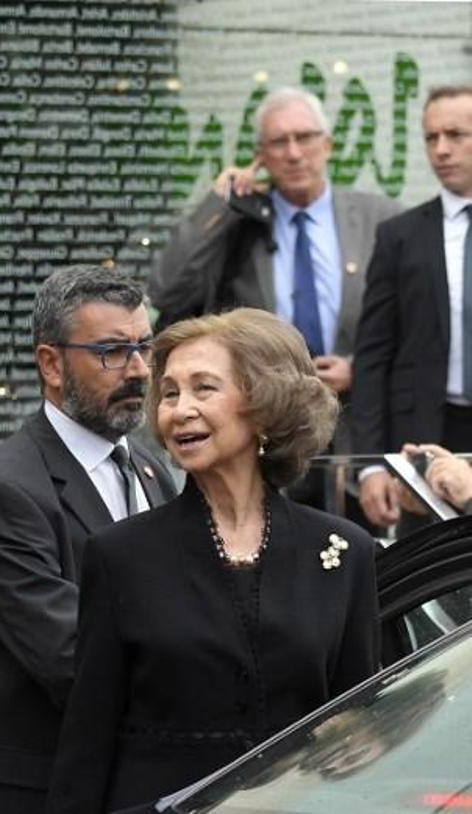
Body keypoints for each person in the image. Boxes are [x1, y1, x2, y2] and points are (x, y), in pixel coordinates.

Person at [46, 308, 380, 814]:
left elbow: (361, 716)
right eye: (171, 393)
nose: (179, 410)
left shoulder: (343, 552)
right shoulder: (122, 556)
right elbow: (87, 743)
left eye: (204, 389)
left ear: (265, 405)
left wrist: (361, 739)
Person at [0, 266, 178, 814]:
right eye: (111, 351)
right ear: (51, 364)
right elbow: (72, 654)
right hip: (13, 787)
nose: (136, 370)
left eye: (143, 348)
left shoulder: (153, 470)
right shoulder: (9, 489)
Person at [152, 87, 399, 455]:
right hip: (265, 432)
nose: (294, 153)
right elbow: (167, 288)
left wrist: (359, 369)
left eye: (304, 138)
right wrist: (223, 201)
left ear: (327, 145)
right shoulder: (240, 224)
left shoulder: (379, 218)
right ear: (261, 156)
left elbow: (415, 326)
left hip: (357, 434)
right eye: (279, 142)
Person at [353, 85, 472, 529]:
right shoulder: (400, 236)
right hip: (422, 441)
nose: (441, 149)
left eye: (456, 134)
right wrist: (371, 466)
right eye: (431, 137)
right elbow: (373, 355)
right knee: (431, 581)